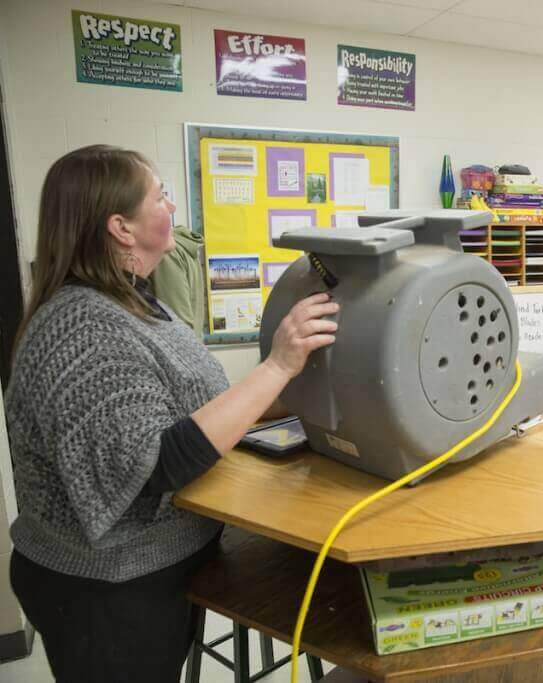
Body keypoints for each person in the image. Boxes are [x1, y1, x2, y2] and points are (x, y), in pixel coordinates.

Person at [5, 145, 339, 683]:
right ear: (121, 227)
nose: (172, 206)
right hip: (106, 592)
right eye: (160, 195)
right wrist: (278, 365)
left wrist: (302, 389)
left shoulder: (136, 303)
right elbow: (156, 462)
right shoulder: (85, 328)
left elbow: (196, 413)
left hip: (151, 575)